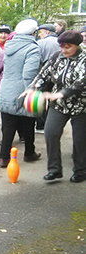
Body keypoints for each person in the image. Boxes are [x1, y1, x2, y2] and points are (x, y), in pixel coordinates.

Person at [26, 30, 86, 183]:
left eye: (68, 47)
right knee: (51, 133)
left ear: (77, 46)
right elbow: (43, 74)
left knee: (80, 140)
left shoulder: (84, 59)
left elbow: (81, 82)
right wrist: (32, 88)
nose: (63, 50)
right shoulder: (56, 57)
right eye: (61, 47)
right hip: (58, 105)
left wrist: (62, 93)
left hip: (81, 106)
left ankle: (80, 171)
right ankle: (54, 170)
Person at [0, 19, 42, 168]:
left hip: (5, 89)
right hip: (22, 90)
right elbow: (29, 74)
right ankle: (29, 153)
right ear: (33, 33)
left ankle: (3, 158)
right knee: (28, 123)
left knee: (8, 125)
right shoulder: (32, 48)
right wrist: (31, 92)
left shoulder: (9, 46)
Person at [35, 23, 60, 132]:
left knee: (41, 99)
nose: (39, 34)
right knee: (53, 99)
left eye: (41, 32)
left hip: (45, 75)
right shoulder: (61, 42)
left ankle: (40, 125)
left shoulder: (41, 43)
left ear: (47, 32)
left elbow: (37, 60)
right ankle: (51, 124)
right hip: (59, 76)